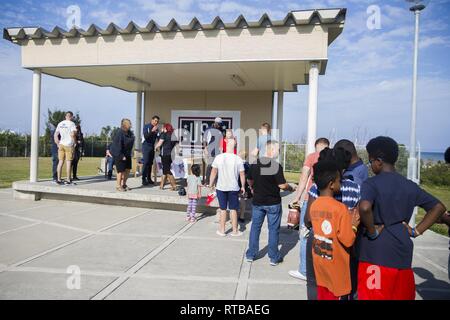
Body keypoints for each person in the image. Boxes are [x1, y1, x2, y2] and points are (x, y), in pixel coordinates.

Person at [358, 136, 446, 300]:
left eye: (370, 161)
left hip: (375, 255)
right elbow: (438, 207)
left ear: (378, 161)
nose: (370, 165)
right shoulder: (409, 185)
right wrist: (416, 231)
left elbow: (364, 207)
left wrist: (371, 231)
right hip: (403, 255)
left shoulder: (371, 183)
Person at [304, 147, 361, 300]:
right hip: (338, 261)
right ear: (332, 183)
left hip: (320, 256)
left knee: (317, 288)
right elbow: (348, 239)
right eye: (338, 180)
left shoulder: (315, 200)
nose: (340, 183)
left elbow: (308, 221)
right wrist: (354, 224)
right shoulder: (345, 202)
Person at [245, 140, 295, 266]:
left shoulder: (255, 164)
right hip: (273, 202)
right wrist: (290, 187)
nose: (278, 152)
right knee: (273, 229)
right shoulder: (276, 166)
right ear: (271, 150)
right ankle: (273, 257)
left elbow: (249, 179)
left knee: (255, 228)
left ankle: (251, 254)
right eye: (277, 150)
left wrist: (252, 188)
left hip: (258, 201)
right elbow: (282, 185)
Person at [289, 137, 330, 281]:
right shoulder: (332, 158)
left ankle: (304, 270)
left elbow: (303, 177)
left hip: (310, 200)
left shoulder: (312, 157)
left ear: (316, 146)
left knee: (305, 233)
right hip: (327, 201)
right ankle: (322, 271)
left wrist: (297, 197)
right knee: (324, 235)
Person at [209, 139, 246, 237]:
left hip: (221, 187)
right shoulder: (238, 159)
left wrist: (210, 184)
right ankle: (235, 231)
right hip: (233, 187)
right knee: (233, 209)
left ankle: (222, 230)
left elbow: (213, 172)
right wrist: (243, 186)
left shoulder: (219, 157)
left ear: (226, 145)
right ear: (235, 147)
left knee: (223, 209)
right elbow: (242, 174)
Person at [110, 119, 135, 192]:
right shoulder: (120, 133)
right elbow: (117, 145)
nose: (131, 124)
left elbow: (132, 140)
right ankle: (118, 186)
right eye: (129, 123)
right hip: (119, 153)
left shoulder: (130, 133)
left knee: (127, 169)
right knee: (120, 171)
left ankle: (124, 184)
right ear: (125, 124)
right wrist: (121, 156)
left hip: (127, 153)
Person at [54, 111, 77, 185]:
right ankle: (68, 180)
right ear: (71, 116)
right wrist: (74, 143)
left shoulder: (60, 123)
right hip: (68, 145)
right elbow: (73, 134)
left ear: (65, 116)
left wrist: (57, 143)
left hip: (61, 144)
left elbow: (56, 134)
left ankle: (58, 179)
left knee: (60, 162)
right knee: (68, 162)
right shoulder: (72, 124)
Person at [155, 123, 178, 191]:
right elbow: (177, 144)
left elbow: (160, 143)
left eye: (163, 127)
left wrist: (155, 147)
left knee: (167, 171)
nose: (162, 129)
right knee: (165, 170)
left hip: (165, 155)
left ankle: (174, 185)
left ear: (166, 128)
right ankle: (161, 185)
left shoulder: (164, 134)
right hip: (171, 155)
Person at [203, 117, 225, 184]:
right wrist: (205, 148)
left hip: (218, 151)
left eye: (220, 124)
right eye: (219, 124)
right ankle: (207, 182)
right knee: (210, 166)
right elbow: (204, 140)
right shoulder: (208, 129)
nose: (219, 126)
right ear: (215, 123)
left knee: (218, 166)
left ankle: (216, 182)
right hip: (210, 150)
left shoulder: (221, 130)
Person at [142, 115, 160, 186]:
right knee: (146, 162)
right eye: (155, 121)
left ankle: (149, 178)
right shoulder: (146, 126)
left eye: (157, 121)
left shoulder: (156, 129)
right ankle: (143, 179)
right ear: (152, 120)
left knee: (150, 163)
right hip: (146, 146)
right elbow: (146, 136)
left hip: (152, 147)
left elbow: (158, 138)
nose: (156, 122)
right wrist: (152, 131)